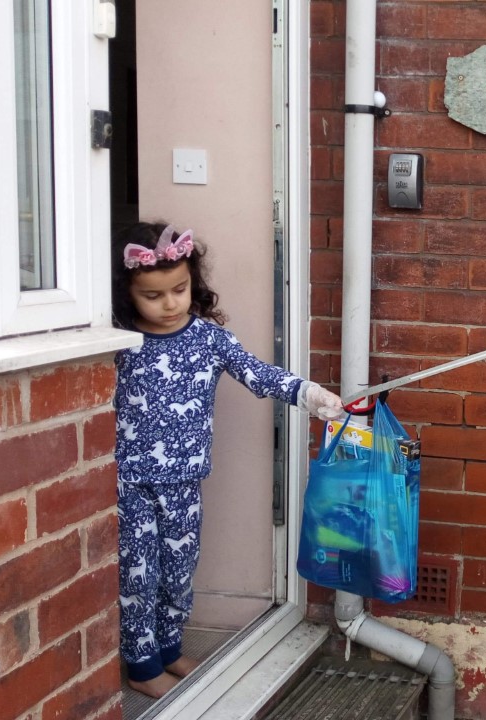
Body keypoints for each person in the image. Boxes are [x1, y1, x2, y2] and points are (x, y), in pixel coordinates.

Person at [111, 222, 343, 698]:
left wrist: (309, 395)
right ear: (127, 295)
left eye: (179, 289)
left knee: (179, 567)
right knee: (138, 571)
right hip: (128, 481)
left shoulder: (209, 340)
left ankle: (170, 649)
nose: (170, 303)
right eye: (152, 296)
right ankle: (141, 663)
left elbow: (258, 374)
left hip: (184, 482)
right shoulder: (118, 344)